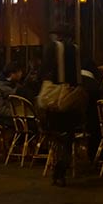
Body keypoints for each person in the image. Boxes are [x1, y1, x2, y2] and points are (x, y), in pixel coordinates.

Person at [40, 26, 85, 187]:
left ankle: (56, 170)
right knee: (67, 139)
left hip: (54, 100)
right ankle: (61, 170)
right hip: (70, 100)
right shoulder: (76, 50)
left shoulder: (52, 48)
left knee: (57, 138)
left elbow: (44, 71)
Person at [0, 61, 25, 129]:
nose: (21, 74)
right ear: (12, 74)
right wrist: (16, 114)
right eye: (19, 72)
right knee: (26, 125)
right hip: (0, 117)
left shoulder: (15, 85)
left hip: (13, 115)